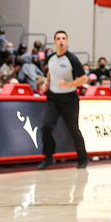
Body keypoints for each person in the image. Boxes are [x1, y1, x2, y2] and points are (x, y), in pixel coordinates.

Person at [37, 30, 89, 170]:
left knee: (73, 129)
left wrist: (69, 85)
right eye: (58, 38)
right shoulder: (51, 58)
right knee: (46, 127)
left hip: (69, 99)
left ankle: (83, 158)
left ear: (67, 41)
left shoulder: (72, 59)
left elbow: (84, 79)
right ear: (54, 42)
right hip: (53, 97)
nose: (61, 41)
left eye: (63, 38)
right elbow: (50, 71)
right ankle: (48, 157)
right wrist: (47, 83)